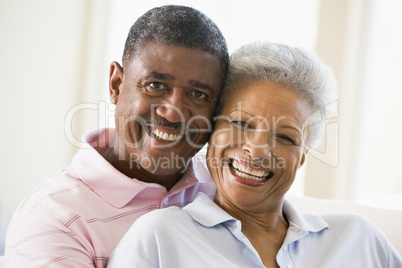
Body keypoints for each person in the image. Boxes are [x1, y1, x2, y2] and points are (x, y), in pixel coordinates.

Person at [106, 41, 402, 268]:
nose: (257, 149)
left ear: (302, 157)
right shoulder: (159, 237)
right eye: (240, 123)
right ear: (211, 133)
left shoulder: (359, 238)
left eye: (285, 137)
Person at [5, 5, 228, 267]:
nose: (173, 113)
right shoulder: (53, 216)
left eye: (198, 94)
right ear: (116, 85)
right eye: (155, 85)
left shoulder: (224, 190)